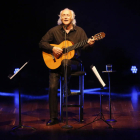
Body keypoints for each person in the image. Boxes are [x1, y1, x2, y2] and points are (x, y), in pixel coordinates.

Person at [39, 8, 95, 126]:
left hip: (74, 63)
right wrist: (53, 48)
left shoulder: (79, 31)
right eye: (63, 15)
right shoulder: (54, 31)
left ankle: (65, 87)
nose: (65, 17)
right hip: (55, 64)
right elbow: (42, 43)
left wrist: (89, 45)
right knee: (53, 88)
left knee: (66, 62)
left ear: (72, 18)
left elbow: (86, 49)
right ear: (60, 17)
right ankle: (54, 118)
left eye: (67, 15)